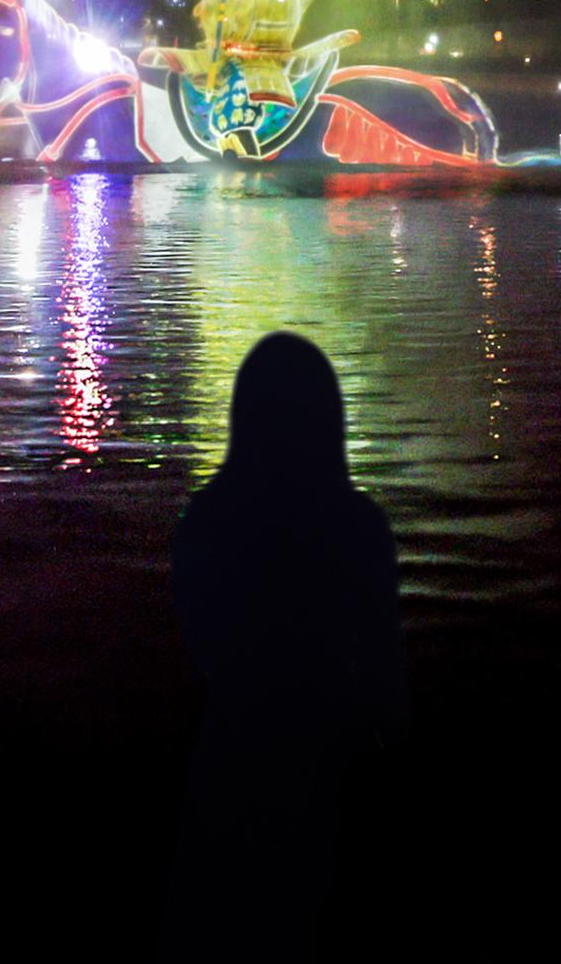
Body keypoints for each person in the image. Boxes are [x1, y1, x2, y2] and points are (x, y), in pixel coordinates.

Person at [167, 332, 407, 958]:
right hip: (330, 763)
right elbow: (385, 667)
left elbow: (198, 647)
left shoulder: (205, 521)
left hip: (229, 765)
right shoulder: (359, 527)